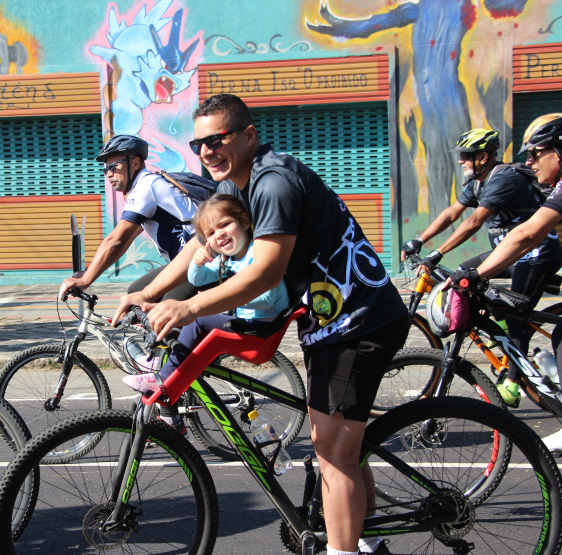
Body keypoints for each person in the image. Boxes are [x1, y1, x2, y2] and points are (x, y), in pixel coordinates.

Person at [113, 94, 408, 555]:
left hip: (359, 320)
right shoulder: (235, 184)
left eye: (217, 140)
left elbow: (266, 273)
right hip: (327, 319)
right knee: (339, 443)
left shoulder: (273, 183)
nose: (207, 152)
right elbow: (198, 245)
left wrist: (190, 308)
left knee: (333, 452)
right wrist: (148, 293)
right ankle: (365, 536)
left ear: (249, 135)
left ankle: (345, 549)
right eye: (198, 144)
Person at [451, 113, 562, 456]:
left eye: (536, 153)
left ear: (561, 152)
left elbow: (526, 235)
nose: (529, 161)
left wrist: (478, 275)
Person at [401, 128, 562, 407]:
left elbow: (474, 221)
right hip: (508, 253)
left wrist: (437, 253)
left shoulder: (503, 178)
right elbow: (452, 213)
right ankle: (500, 331)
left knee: (516, 320)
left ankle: (512, 384)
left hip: (536, 254)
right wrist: (419, 240)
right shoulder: (478, 183)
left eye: (466, 156)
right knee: (462, 274)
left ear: (483, 157)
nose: (461, 160)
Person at [121, 194, 289, 430]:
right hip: (246, 322)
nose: (218, 234)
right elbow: (197, 280)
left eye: (224, 225)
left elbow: (267, 299)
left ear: (244, 221)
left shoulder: (256, 255)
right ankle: (167, 371)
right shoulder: (227, 258)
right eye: (210, 233)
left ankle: (162, 378)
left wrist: (223, 303)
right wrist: (197, 262)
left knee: (197, 321)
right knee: (191, 326)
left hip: (262, 327)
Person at [60, 134, 204, 302]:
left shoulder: (146, 186)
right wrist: (90, 272)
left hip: (199, 260)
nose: (109, 174)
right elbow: (125, 240)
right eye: (106, 170)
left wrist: (85, 280)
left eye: (113, 167)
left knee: (165, 313)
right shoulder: (147, 185)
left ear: (135, 163)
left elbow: (116, 240)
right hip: (184, 261)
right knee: (136, 290)